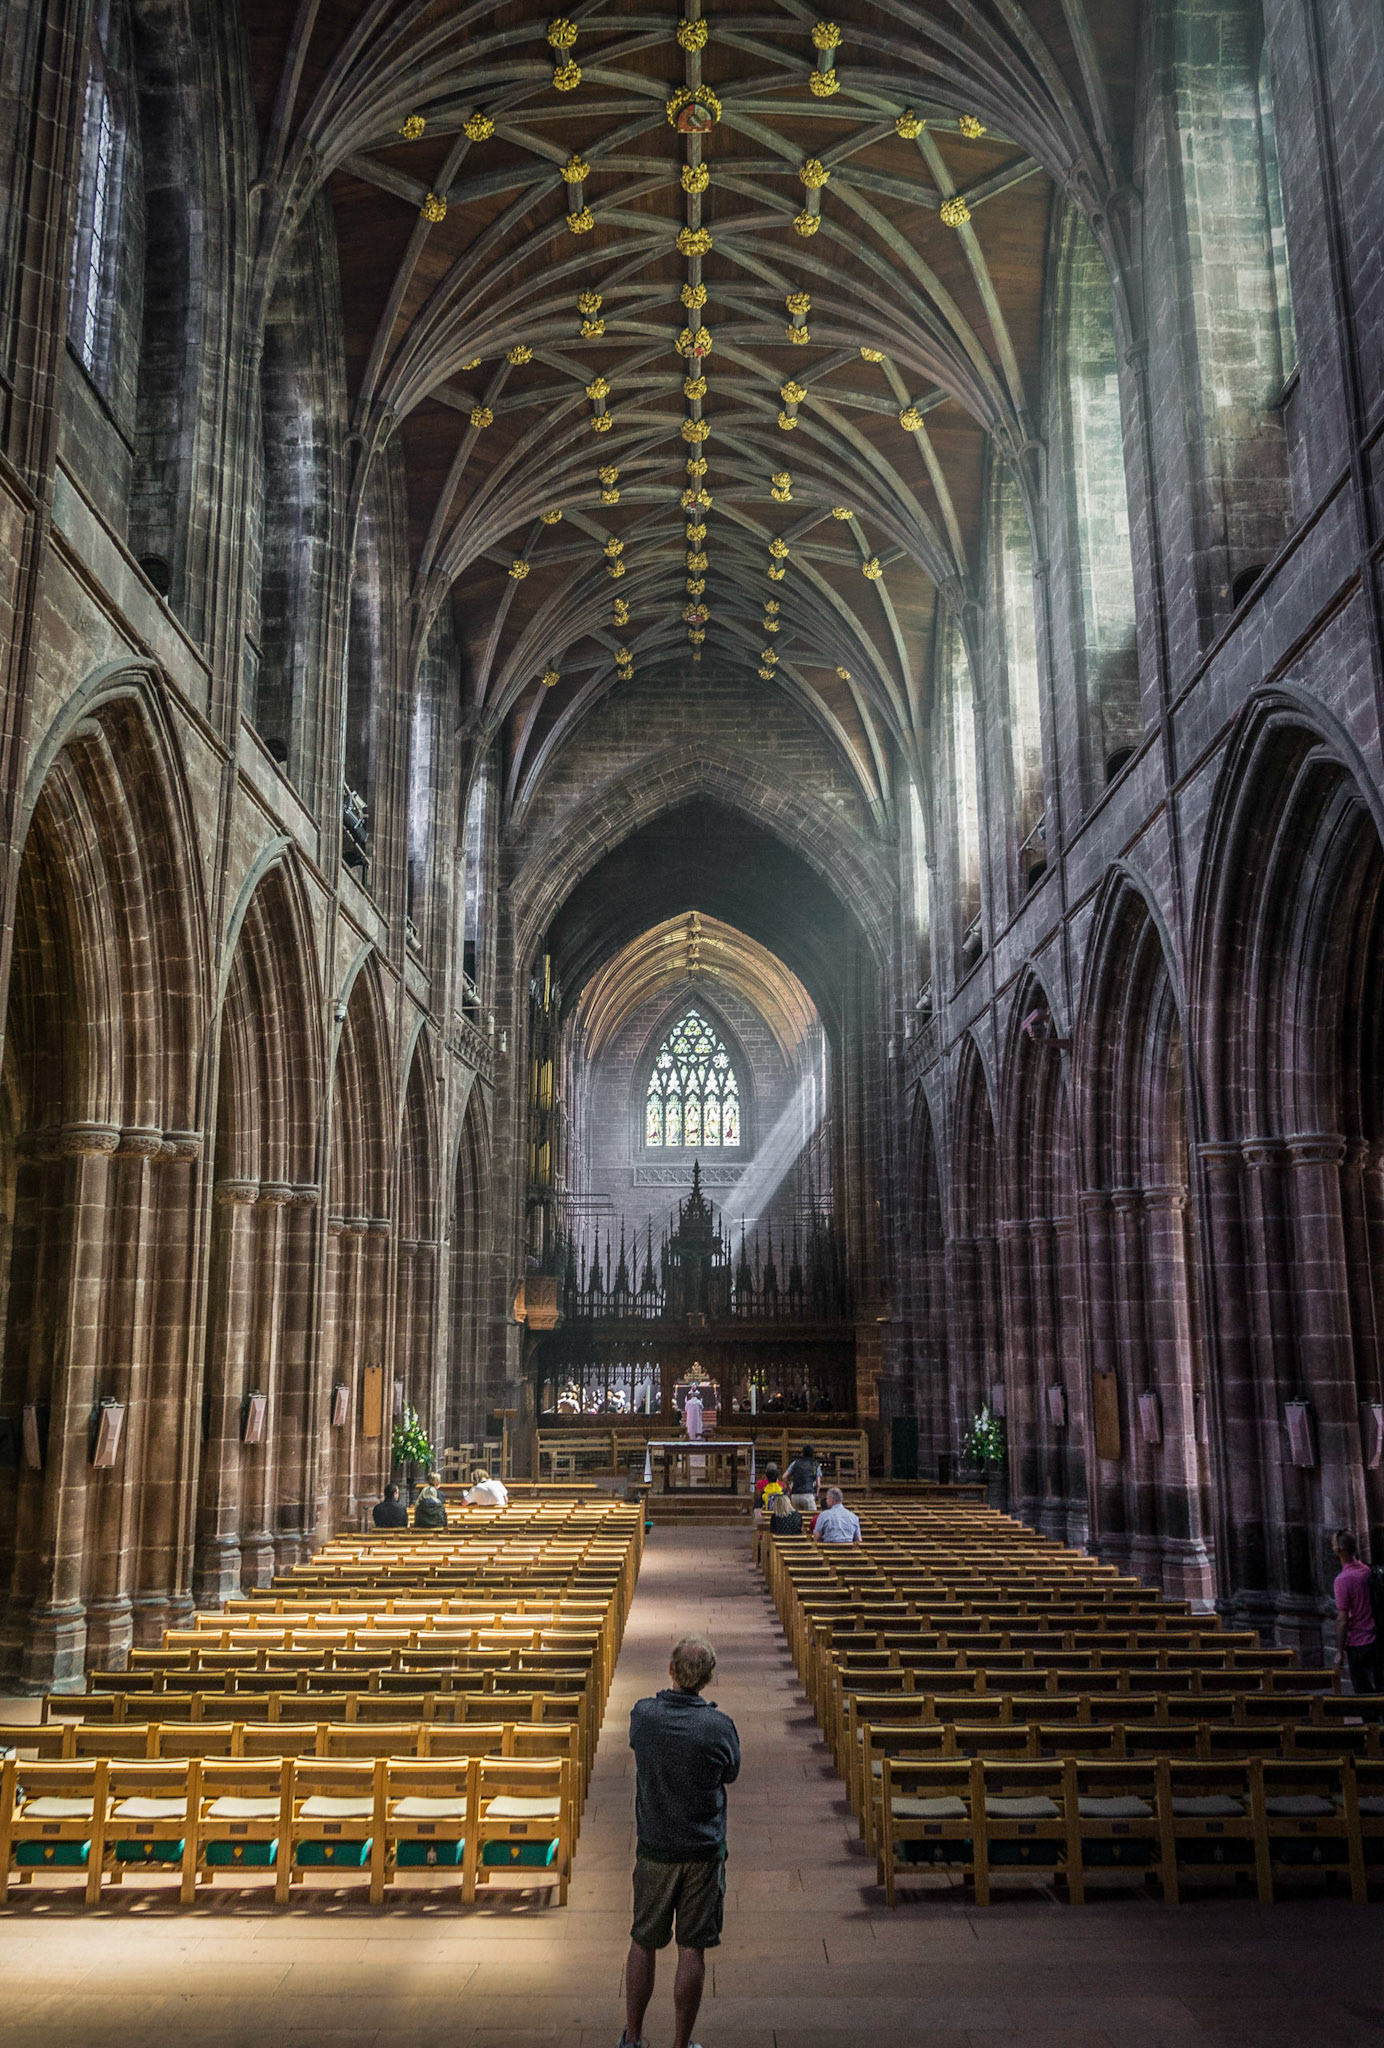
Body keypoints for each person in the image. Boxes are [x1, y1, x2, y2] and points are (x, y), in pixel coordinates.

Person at [621, 1636, 740, 2048]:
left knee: (643, 1939)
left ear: (671, 1669)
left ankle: (633, 2038)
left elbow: (638, 1746)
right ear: (708, 1678)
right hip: (702, 1850)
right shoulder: (718, 1726)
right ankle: (680, 2044)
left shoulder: (645, 1715)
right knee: (692, 1949)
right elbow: (730, 1774)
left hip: (655, 1845)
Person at [1333, 1530, 1380, 1698]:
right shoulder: (1368, 1570)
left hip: (1359, 1644)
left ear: (1339, 1550)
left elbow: (1343, 1620)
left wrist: (1339, 1650)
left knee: (1364, 1697)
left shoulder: (1342, 1580)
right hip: (1377, 1639)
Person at [784, 1443, 820, 1511]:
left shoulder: (795, 1463)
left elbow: (784, 1477)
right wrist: (817, 1494)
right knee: (811, 1517)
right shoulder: (815, 1465)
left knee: (795, 1519)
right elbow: (818, 1483)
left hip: (795, 1495)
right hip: (808, 1495)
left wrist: (789, 1490)